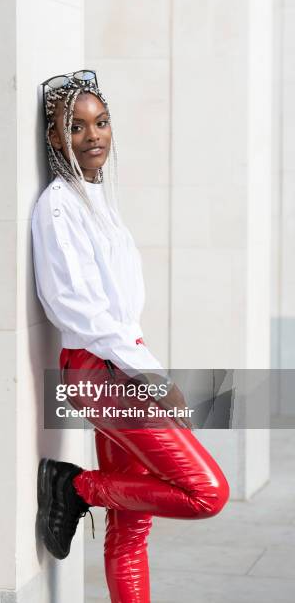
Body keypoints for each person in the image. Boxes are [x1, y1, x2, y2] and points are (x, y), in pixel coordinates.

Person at [31, 69, 230, 602]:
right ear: (55, 138)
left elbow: (121, 311)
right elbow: (82, 309)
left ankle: (82, 492)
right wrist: (153, 378)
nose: (92, 135)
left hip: (117, 363)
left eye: (101, 122)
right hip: (97, 369)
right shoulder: (57, 206)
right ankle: (73, 486)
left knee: (133, 526)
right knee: (207, 492)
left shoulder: (96, 199)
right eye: (75, 127)